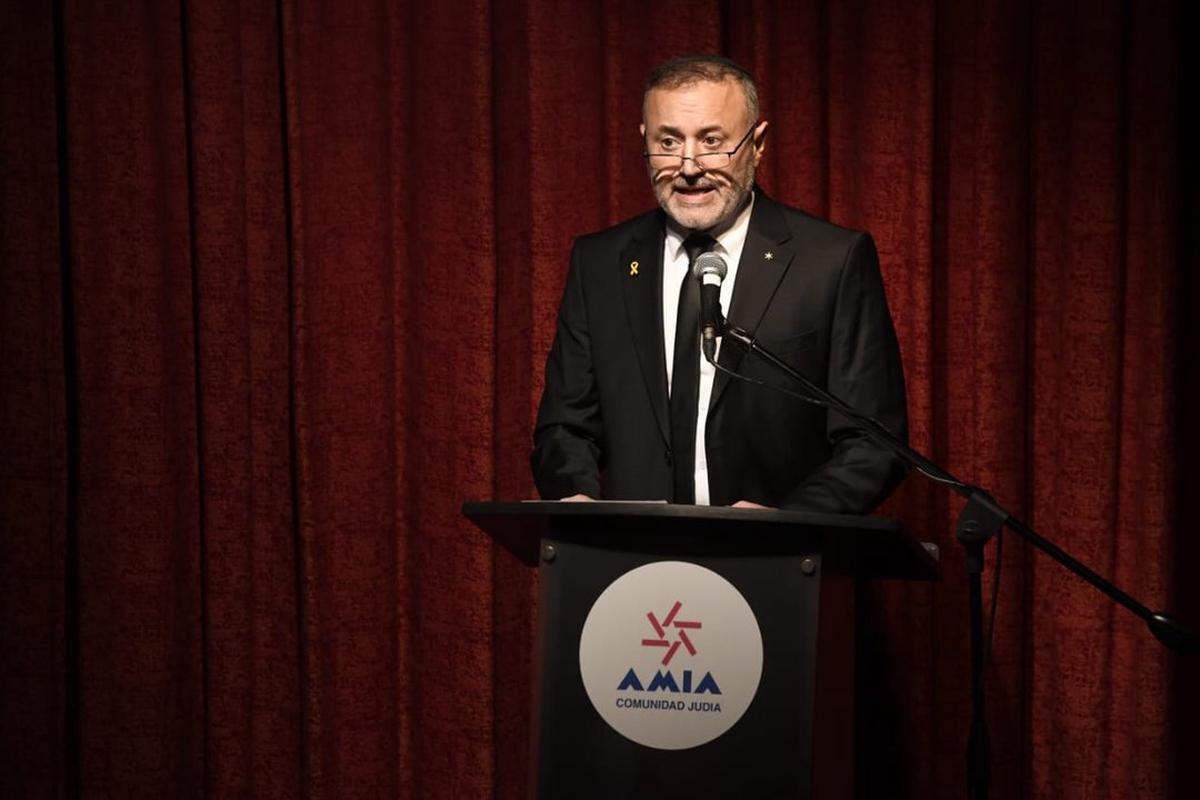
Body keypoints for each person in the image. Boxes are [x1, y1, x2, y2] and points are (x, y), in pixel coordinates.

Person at [531, 54, 908, 513]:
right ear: (644, 141)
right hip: (631, 550)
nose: (689, 166)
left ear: (757, 144)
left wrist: (788, 523)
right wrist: (576, 502)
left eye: (712, 141)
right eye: (669, 142)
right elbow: (565, 427)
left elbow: (873, 443)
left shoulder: (831, 261)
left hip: (781, 552)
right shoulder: (600, 263)